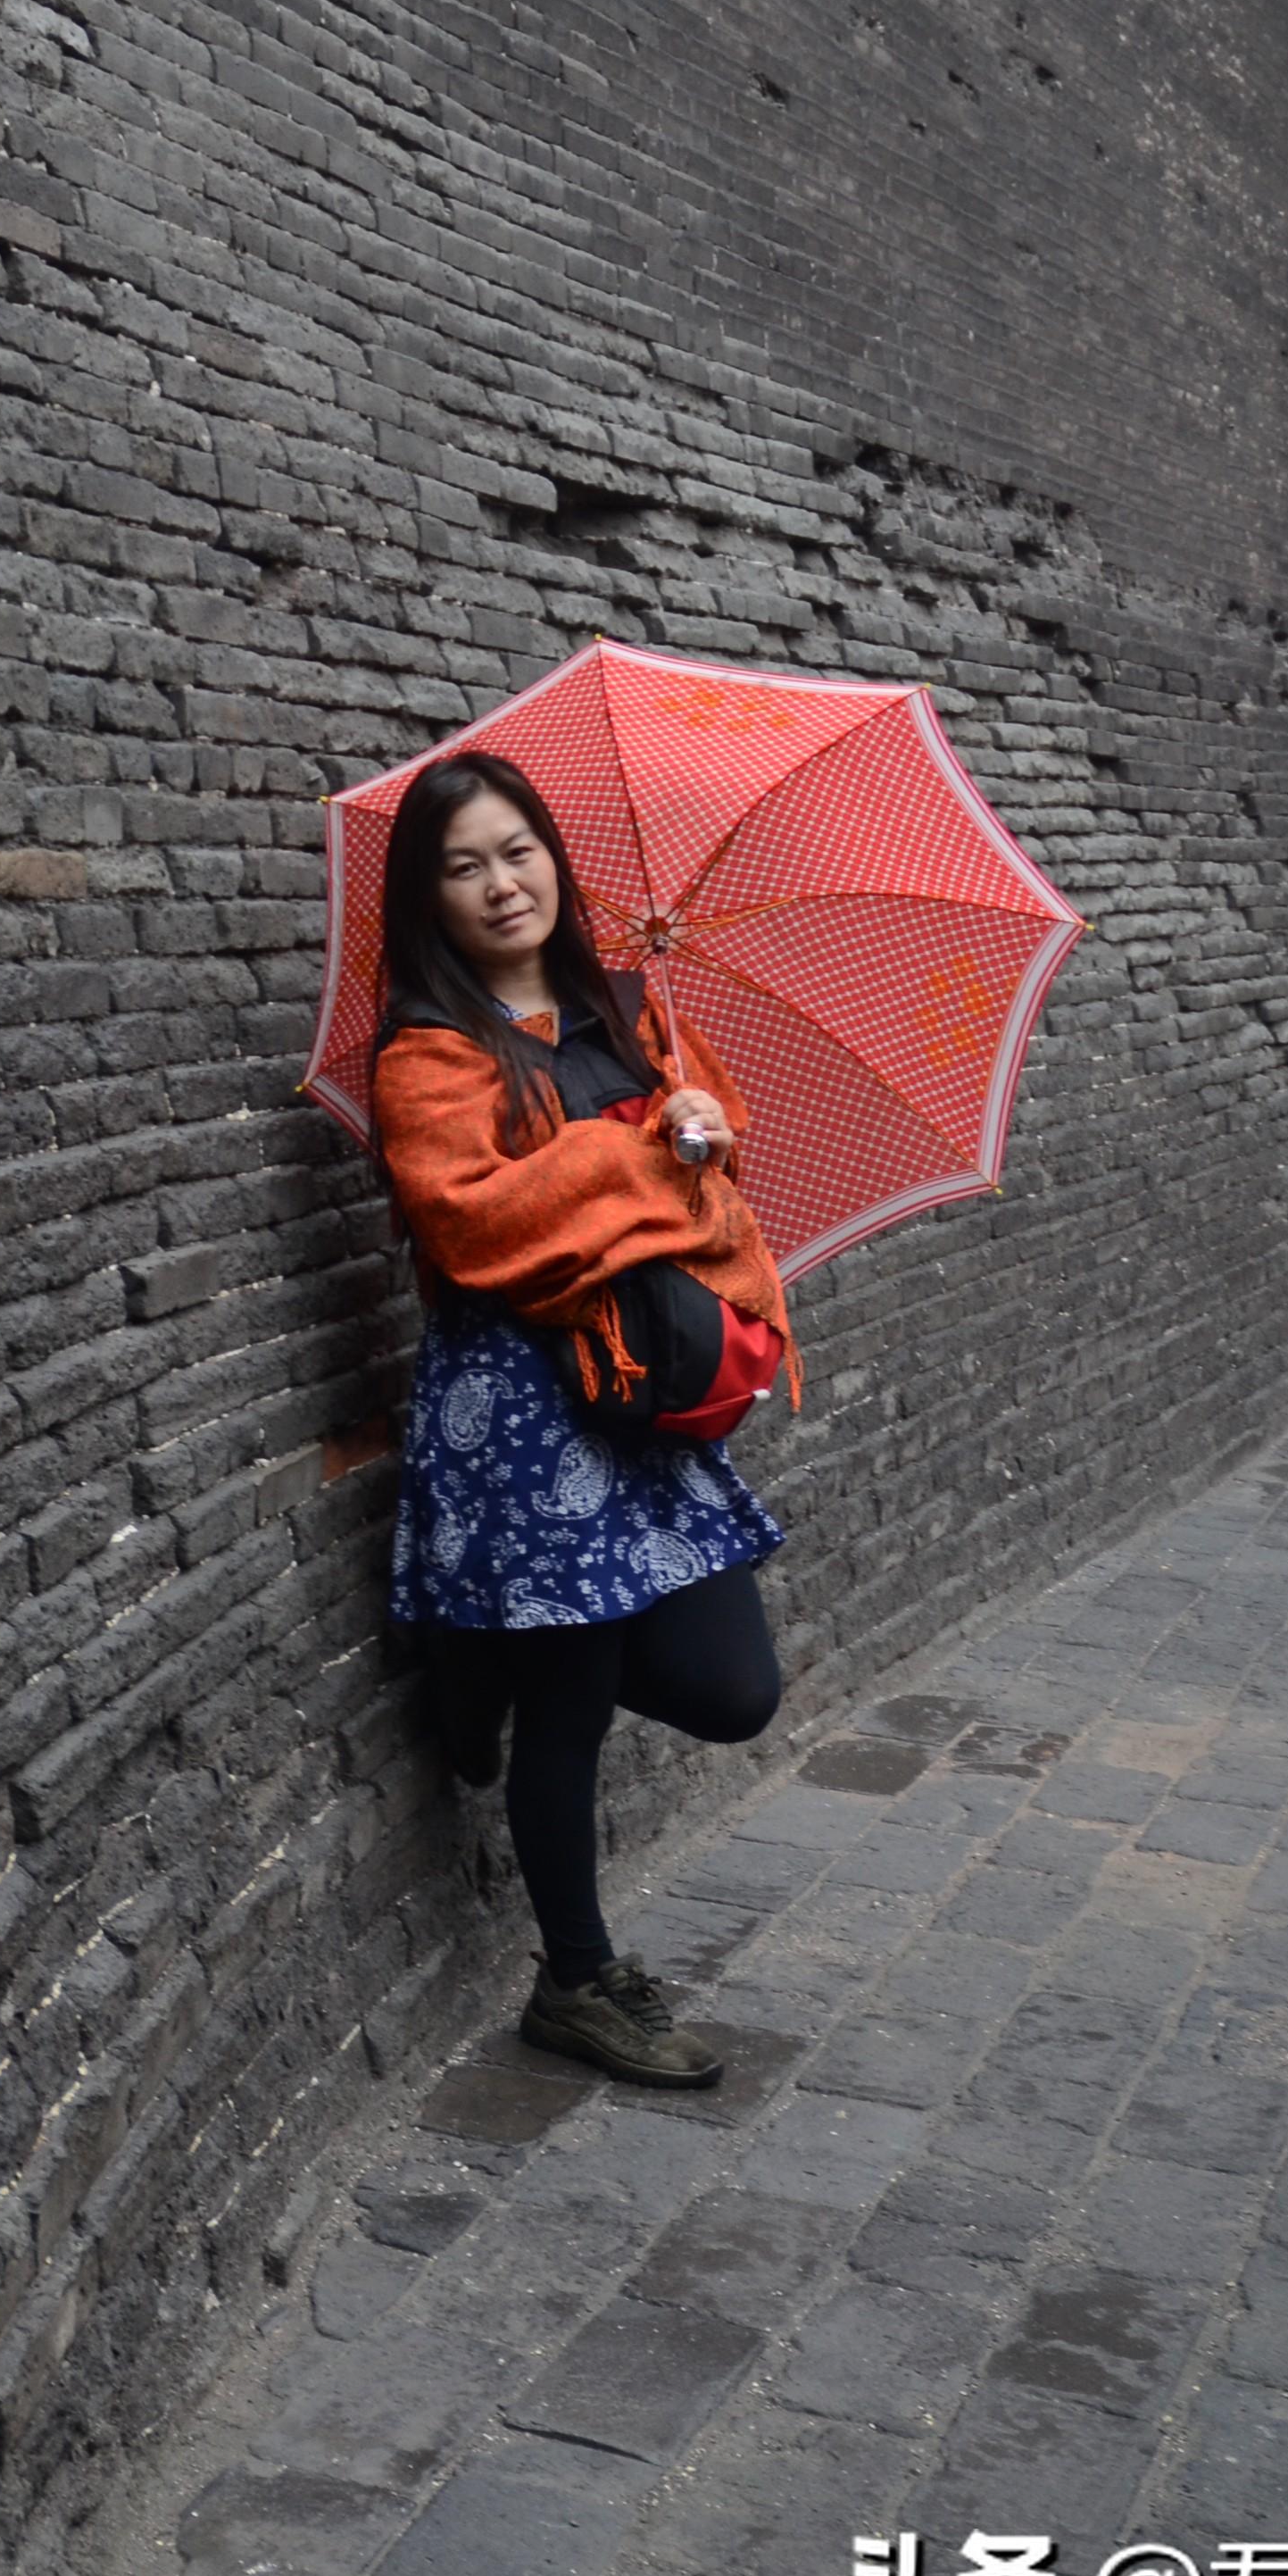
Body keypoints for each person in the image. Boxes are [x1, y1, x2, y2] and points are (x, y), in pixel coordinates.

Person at [370, 751, 794, 2088]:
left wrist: (703, 1130)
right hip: (518, 1417)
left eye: (519, 852)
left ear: (556, 859)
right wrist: (638, 1155)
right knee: (573, 1707)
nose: (502, 885)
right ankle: (576, 1980)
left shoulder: (634, 1011)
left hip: (637, 1406)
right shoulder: (427, 1057)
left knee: (733, 1691)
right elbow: (482, 1226)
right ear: (428, 899)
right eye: (463, 867)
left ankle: (482, 1651)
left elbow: (711, 1196)